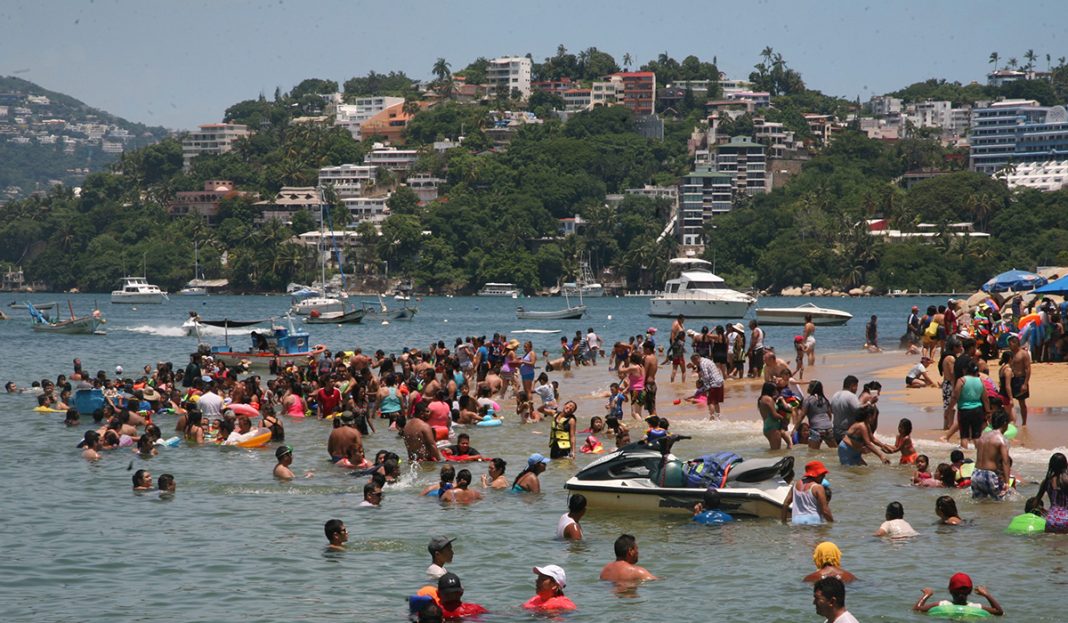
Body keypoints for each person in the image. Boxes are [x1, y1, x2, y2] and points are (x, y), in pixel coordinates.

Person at [913, 573, 1004, 616]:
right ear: (970, 591)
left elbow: (917, 609)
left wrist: (927, 594)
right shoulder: (976, 607)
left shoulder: (941, 604)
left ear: (950, 590)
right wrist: (986, 594)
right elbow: (999, 612)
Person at [972, 408, 1012, 500]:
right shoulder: (1002, 439)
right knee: (1001, 503)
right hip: (990, 475)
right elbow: (1005, 462)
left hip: (976, 473)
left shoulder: (983, 436)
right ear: (1005, 423)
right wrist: (1007, 482)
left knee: (980, 504)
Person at [950, 361, 989, 450]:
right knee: (976, 436)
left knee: (964, 436)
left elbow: (955, 396)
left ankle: (965, 456)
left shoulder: (961, 380)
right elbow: (985, 398)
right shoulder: (980, 381)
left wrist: (950, 408)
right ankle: (979, 456)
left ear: (965, 370)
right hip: (978, 410)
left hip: (964, 410)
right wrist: (987, 411)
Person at [783, 460, 833, 525]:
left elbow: (785, 504)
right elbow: (825, 510)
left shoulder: (795, 485)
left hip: (796, 522)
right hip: (813, 523)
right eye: (822, 474)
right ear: (815, 474)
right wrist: (832, 524)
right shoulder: (818, 487)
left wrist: (783, 521)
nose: (824, 476)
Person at [1035, 452, 1068, 533]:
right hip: (1066, 519)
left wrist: (1043, 511)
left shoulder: (1046, 482)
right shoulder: (1067, 480)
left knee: (1051, 544)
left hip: (1051, 519)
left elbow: (1035, 503)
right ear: (1065, 465)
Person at [802, 380, 835, 449]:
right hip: (828, 428)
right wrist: (826, 425)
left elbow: (802, 415)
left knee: (812, 453)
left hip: (816, 429)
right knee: (834, 449)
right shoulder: (825, 400)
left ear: (812, 389)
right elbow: (830, 415)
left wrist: (795, 428)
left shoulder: (808, 400)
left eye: (809, 386)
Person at [690, 352, 724, 420]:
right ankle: (718, 418)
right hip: (720, 382)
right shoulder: (706, 360)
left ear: (696, 359)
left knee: (710, 402)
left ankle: (712, 418)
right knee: (716, 402)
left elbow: (706, 376)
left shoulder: (702, 364)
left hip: (713, 383)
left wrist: (705, 388)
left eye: (693, 361)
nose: (694, 363)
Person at [1008, 335, 1031, 425]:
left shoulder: (1023, 354)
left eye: (1011, 344)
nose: (1009, 346)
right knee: (1009, 402)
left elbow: (1028, 369)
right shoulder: (1010, 354)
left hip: (1021, 379)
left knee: (1022, 402)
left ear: (1016, 343)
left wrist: (1025, 383)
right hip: (1011, 379)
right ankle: (1011, 422)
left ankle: (1024, 423)